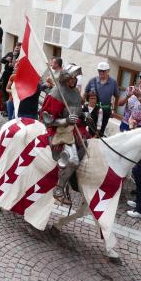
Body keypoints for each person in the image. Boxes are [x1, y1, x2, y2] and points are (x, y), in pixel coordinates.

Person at [40, 64, 87, 204]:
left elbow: (76, 112)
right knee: (73, 161)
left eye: (75, 78)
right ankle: (59, 190)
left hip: (71, 130)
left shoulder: (76, 93)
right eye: (71, 78)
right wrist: (65, 120)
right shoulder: (56, 94)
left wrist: (84, 115)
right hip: (57, 132)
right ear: (65, 78)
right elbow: (46, 119)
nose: (73, 81)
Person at [84, 62, 119, 137]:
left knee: (100, 131)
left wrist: (114, 110)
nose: (102, 72)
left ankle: (96, 146)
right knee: (89, 130)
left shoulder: (113, 82)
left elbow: (117, 96)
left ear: (108, 71)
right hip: (93, 110)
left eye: (104, 71)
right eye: (100, 70)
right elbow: (85, 92)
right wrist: (84, 105)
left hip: (105, 110)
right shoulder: (92, 80)